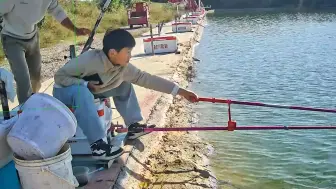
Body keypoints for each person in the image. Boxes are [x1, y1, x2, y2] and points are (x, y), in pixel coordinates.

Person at [52, 28, 198, 160]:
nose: (130, 55)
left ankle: (134, 126)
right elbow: (59, 77)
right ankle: (97, 146)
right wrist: (84, 84)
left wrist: (181, 91)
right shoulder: (89, 60)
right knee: (83, 92)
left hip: (92, 92)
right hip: (66, 91)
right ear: (112, 53)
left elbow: (146, 79)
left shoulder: (123, 68)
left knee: (124, 83)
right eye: (127, 51)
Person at [0, 0, 91, 104]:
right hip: (11, 38)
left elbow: (58, 12)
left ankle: (32, 105)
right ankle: (25, 112)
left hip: (32, 37)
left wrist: (75, 29)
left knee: (36, 78)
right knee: (23, 79)